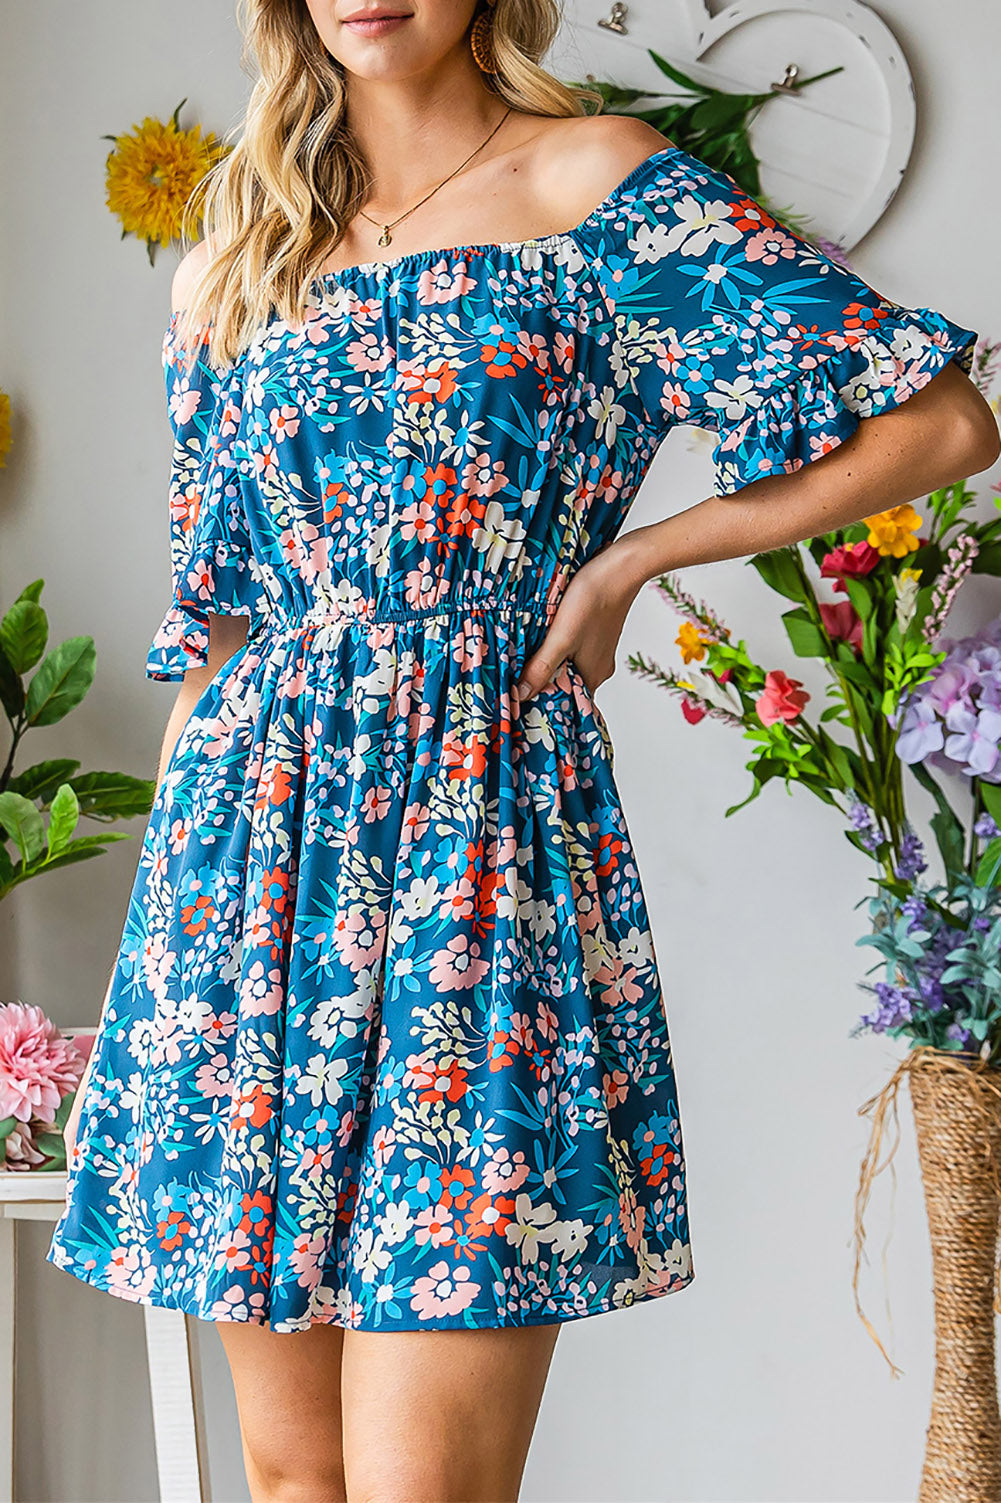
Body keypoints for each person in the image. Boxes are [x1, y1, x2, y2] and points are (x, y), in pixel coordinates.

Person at [46, 0, 996, 1498]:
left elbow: (938, 424)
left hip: (476, 845)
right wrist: (173, 932)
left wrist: (626, 565)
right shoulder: (242, 242)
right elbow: (216, 618)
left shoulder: (594, 184)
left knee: (425, 1484)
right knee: (294, 1479)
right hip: (244, 869)